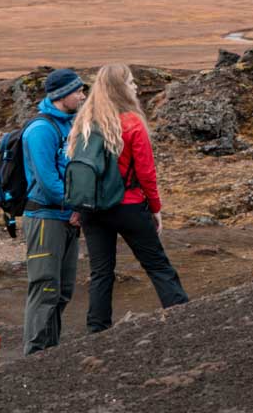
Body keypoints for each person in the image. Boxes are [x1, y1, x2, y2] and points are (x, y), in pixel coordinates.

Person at [67, 63, 188, 332]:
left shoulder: (84, 123)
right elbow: (146, 173)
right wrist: (155, 208)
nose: (135, 87)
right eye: (131, 82)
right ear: (121, 88)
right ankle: (183, 318)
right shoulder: (132, 123)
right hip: (129, 206)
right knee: (158, 266)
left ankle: (97, 330)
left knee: (100, 272)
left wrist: (77, 208)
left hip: (92, 210)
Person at [21, 67, 88, 355]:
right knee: (45, 288)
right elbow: (48, 181)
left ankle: (52, 351)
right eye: (78, 91)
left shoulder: (70, 124)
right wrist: (74, 205)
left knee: (62, 291)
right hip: (46, 218)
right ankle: (36, 354)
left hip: (67, 218)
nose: (83, 96)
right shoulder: (40, 130)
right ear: (62, 95)